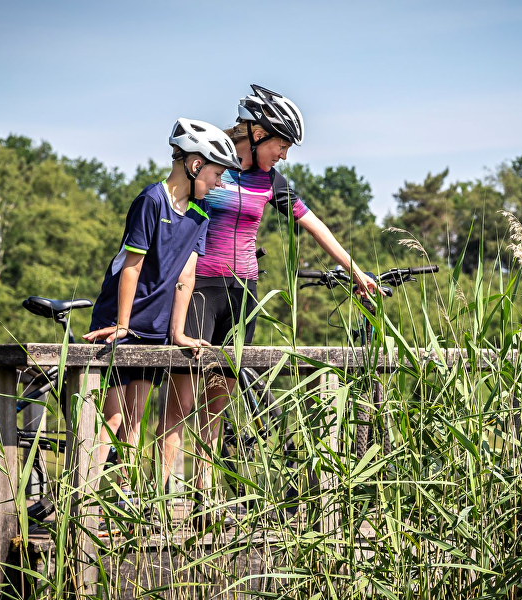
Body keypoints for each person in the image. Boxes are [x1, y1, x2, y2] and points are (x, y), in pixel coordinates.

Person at [157, 85, 380, 527]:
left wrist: (356, 271)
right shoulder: (211, 166)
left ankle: (205, 496)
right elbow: (169, 217)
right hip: (198, 287)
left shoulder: (271, 181)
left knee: (217, 400)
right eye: (280, 144)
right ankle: (166, 499)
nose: (283, 155)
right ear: (256, 133)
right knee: (181, 400)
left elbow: (315, 226)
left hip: (243, 295)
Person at [82, 118, 240, 528]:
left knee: (135, 420)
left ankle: (126, 508)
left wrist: (178, 332)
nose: (220, 181)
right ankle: (82, 509)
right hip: (124, 322)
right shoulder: (151, 201)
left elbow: (186, 276)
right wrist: (120, 324)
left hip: (156, 329)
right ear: (192, 165)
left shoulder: (200, 215)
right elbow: (131, 267)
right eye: (216, 172)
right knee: (113, 421)